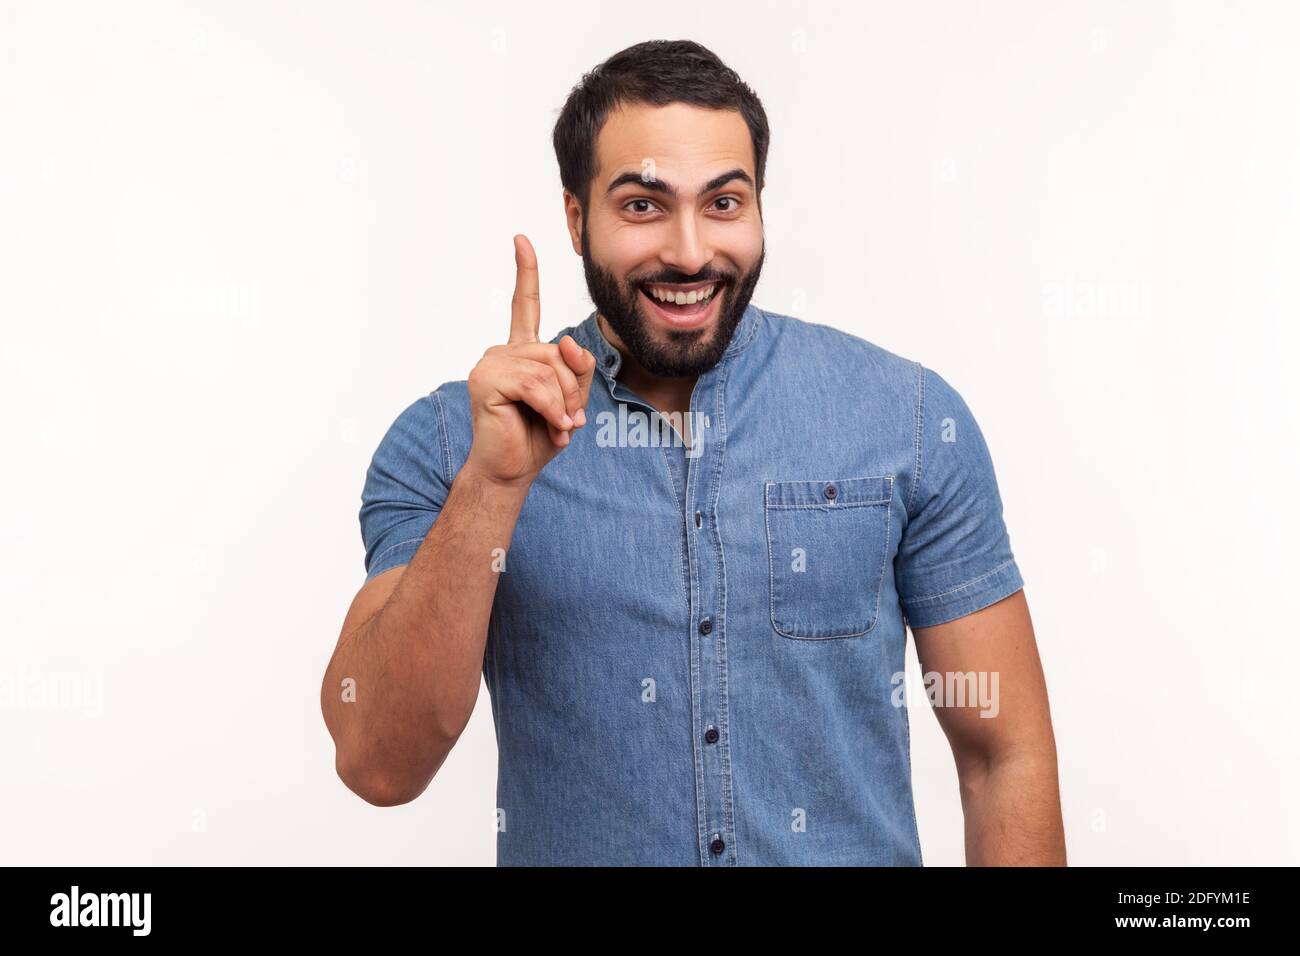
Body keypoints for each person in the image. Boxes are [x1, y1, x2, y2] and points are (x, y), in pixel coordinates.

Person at [320, 39, 1065, 866]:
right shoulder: (450, 443)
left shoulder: (909, 421)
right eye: (642, 205)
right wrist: (492, 489)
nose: (688, 251)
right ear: (577, 218)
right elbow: (377, 762)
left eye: (723, 203)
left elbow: (1005, 757)